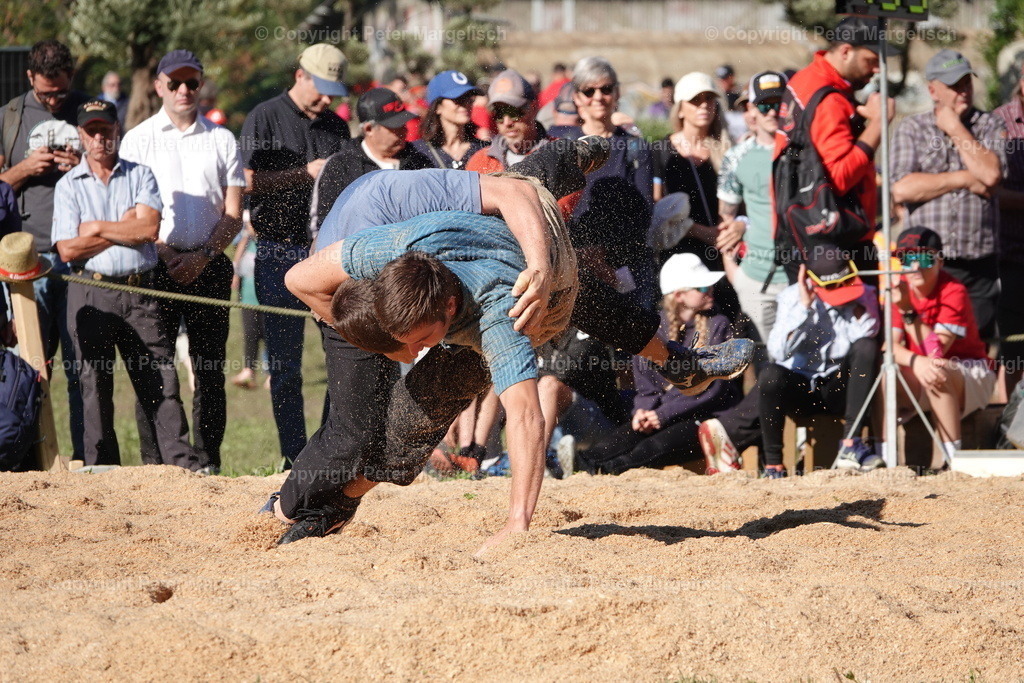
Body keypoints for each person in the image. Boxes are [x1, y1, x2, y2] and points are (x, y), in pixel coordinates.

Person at [271, 165, 753, 545]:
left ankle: (678, 361)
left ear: (451, 309)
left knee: (573, 270)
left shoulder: (500, 315)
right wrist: (391, 341)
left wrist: (518, 522)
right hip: (510, 255)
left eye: (422, 338)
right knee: (404, 421)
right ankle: (334, 507)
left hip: (541, 272)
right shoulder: (389, 249)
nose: (413, 352)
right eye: (409, 342)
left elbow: (525, 418)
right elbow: (298, 280)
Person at [51, 100, 202, 470]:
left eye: (106, 129)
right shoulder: (68, 185)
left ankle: (181, 465)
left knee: (161, 382)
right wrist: (123, 227)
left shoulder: (141, 174)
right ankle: (100, 469)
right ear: (81, 136)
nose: (100, 138)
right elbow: (68, 247)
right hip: (90, 289)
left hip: (140, 292)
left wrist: (97, 227)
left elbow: (148, 229)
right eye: (92, 131)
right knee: (93, 384)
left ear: (117, 131)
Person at [119, 49, 245, 473]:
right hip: (156, 268)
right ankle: (156, 464)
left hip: (210, 268)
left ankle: (209, 462)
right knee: (155, 372)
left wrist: (206, 255)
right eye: (175, 83)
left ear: (201, 83)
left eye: (192, 82)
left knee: (210, 373)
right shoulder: (137, 139)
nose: (184, 90)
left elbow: (233, 211)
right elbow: (131, 210)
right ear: (159, 87)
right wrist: (169, 252)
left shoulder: (221, 138)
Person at [239, 43, 350, 465]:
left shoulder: (337, 128)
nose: (326, 100)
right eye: (320, 89)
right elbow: (245, 181)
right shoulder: (263, 116)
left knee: (340, 358)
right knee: (285, 367)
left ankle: (325, 453)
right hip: (276, 252)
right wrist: (302, 174)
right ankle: (293, 457)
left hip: (328, 256)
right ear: (299, 74)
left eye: (332, 93)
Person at [699, 252, 881, 477]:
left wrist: (854, 308)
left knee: (866, 346)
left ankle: (851, 445)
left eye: (844, 283)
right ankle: (774, 464)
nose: (841, 290)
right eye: (834, 287)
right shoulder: (791, 298)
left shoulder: (863, 294)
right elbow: (777, 351)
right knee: (771, 374)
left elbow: (866, 338)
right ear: (809, 279)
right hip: (802, 388)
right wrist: (804, 310)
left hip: (839, 387)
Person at [0, 39, 88, 459]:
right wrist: (23, 170)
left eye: (62, 91)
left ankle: (89, 455)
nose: (55, 99)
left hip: (81, 255)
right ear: (30, 78)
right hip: (27, 260)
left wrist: (84, 166)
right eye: (47, 92)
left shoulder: (91, 112)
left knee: (83, 364)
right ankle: (30, 456)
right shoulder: (9, 118)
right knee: (32, 364)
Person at [577, 254, 741, 475]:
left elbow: (712, 390)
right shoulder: (656, 328)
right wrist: (642, 411)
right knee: (625, 435)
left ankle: (602, 471)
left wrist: (662, 415)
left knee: (654, 446)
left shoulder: (718, 324)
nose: (710, 289)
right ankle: (580, 464)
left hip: (708, 418)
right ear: (679, 295)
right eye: (702, 287)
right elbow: (646, 386)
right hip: (665, 413)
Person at [891, 49, 1006, 339]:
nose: (963, 91)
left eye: (966, 83)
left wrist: (955, 128)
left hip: (978, 263)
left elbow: (992, 175)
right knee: (931, 348)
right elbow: (902, 188)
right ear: (933, 90)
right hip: (926, 266)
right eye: (954, 86)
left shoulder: (990, 124)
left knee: (973, 350)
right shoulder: (912, 128)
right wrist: (966, 178)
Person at [775, 16, 895, 282]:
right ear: (845, 51)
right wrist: (878, 124)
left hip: (802, 232)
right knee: (861, 324)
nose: (877, 69)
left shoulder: (804, 79)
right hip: (836, 242)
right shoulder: (830, 99)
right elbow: (839, 177)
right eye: (871, 60)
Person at [884, 227, 997, 469]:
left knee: (938, 368)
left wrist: (908, 311)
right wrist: (916, 361)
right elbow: (889, 348)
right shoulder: (899, 289)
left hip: (970, 371)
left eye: (924, 257)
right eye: (906, 258)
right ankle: (884, 459)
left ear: (940, 261)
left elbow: (936, 351)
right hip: (923, 369)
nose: (915, 267)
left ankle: (953, 462)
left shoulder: (953, 290)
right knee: (886, 375)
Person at [717, 71, 790, 363]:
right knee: (764, 371)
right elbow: (727, 219)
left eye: (779, 103)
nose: (772, 111)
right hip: (756, 281)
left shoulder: (805, 152)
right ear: (752, 110)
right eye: (764, 104)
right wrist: (736, 274)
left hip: (799, 280)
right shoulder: (737, 157)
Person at [310, 87, 431, 236]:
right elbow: (321, 226)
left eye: (403, 123)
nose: (403, 130)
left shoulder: (420, 162)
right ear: (369, 129)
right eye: (394, 126)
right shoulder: (340, 166)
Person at [994, 61, 1024, 383]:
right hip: (1012, 258)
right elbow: (990, 189)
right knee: (1015, 352)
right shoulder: (998, 123)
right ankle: (1013, 429)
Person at [467, 70, 547, 172]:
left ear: (534, 108)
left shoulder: (560, 155)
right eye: (499, 114)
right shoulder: (480, 162)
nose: (507, 122)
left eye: (513, 112)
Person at [412, 71, 488, 170]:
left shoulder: (485, 149)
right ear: (437, 107)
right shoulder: (418, 152)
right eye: (458, 99)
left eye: (469, 98)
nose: (465, 104)